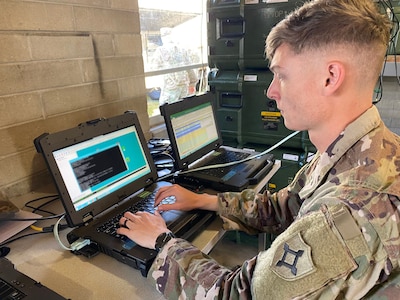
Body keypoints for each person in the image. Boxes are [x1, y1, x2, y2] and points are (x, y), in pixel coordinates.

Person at [118, 0, 400, 298]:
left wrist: (162, 241)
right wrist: (204, 201)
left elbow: (238, 295)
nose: (271, 91)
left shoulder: (353, 207)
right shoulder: (362, 152)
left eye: (282, 75)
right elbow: (287, 206)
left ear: (330, 77)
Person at [152, 27, 199, 105]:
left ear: (163, 37)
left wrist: (156, 84)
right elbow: (190, 70)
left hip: (170, 90)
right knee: (183, 110)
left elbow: (154, 69)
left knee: (167, 111)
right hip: (183, 88)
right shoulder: (183, 50)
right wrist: (193, 83)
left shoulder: (160, 50)